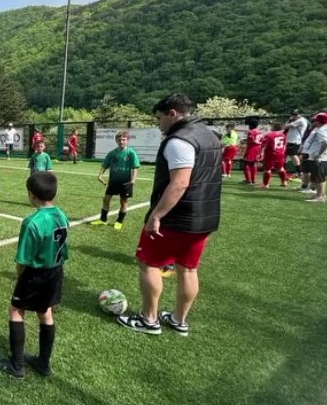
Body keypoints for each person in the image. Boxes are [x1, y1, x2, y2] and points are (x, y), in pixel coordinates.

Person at [117, 93, 222, 336]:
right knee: (188, 268)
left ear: (172, 113)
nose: (159, 123)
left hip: (177, 216)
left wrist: (157, 215)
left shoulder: (179, 140)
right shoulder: (209, 135)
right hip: (205, 216)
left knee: (148, 263)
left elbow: (180, 183)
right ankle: (178, 320)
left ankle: (149, 319)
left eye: (159, 118)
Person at [0, 171, 69, 379]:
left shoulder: (32, 222)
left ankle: (16, 366)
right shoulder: (62, 215)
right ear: (54, 193)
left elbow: (23, 260)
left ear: (31, 195)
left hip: (36, 274)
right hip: (56, 271)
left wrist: (21, 277)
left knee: (16, 311)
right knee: (45, 312)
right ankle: (43, 363)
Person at [90, 130, 140, 231]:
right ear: (116, 140)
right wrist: (100, 175)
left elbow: (135, 167)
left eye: (124, 139)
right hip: (113, 181)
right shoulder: (112, 153)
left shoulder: (131, 153)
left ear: (127, 140)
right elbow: (105, 165)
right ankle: (103, 220)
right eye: (119, 139)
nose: (121, 141)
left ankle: (119, 222)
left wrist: (133, 180)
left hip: (126, 182)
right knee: (106, 199)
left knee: (123, 202)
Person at [304, 112, 327, 203]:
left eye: (316, 120)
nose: (314, 122)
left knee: (319, 178)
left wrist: (319, 154)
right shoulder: (326, 128)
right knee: (321, 177)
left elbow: (326, 142)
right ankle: (321, 194)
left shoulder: (321, 130)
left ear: (319, 121)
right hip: (326, 156)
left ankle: (319, 197)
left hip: (321, 157)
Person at [259, 123, 288, 188]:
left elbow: (263, 145)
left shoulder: (269, 135)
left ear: (274, 128)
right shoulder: (283, 135)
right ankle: (284, 182)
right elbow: (284, 145)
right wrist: (282, 152)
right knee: (280, 168)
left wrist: (260, 153)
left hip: (270, 154)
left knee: (267, 169)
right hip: (280, 154)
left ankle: (266, 184)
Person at [284, 109, 309, 180]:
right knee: (292, 156)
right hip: (292, 140)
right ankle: (298, 172)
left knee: (293, 155)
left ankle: (299, 172)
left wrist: (289, 120)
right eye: (293, 114)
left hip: (294, 141)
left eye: (295, 114)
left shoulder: (300, 120)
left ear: (301, 114)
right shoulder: (297, 120)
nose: (293, 116)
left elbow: (286, 126)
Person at [241, 117, 264, 185]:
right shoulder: (260, 132)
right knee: (254, 164)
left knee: (246, 164)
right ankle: (253, 180)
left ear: (250, 125)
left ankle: (248, 180)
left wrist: (244, 141)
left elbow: (251, 141)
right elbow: (261, 141)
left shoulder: (251, 132)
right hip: (258, 149)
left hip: (252, 149)